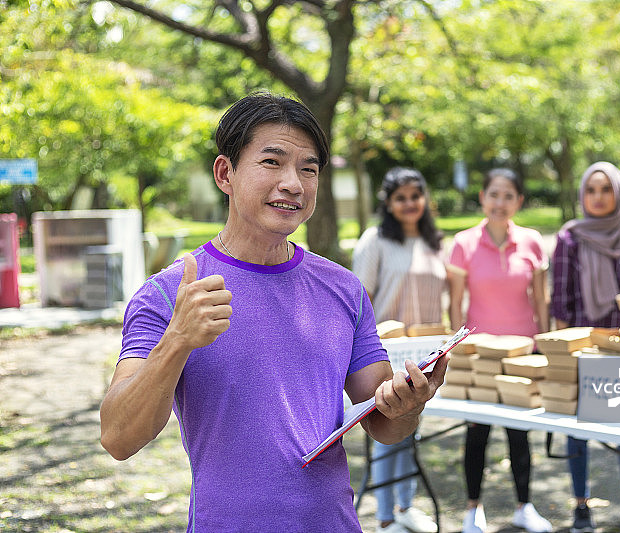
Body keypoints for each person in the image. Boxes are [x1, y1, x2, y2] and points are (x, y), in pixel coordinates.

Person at [99, 92, 449, 532]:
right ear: (225, 173)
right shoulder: (170, 294)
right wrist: (178, 339)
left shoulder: (343, 288)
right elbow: (118, 437)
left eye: (309, 169)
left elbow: (385, 425)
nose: (294, 184)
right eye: (272, 162)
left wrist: (409, 405)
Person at [448, 168, 552, 533]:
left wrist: (544, 345)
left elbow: (541, 300)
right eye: (494, 194)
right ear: (482, 196)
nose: (500, 202)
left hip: (522, 353)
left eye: (509, 196)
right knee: (477, 434)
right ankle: (472, 509)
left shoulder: (532, 241)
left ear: (519, 201)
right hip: (479, 356)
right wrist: (454, 353)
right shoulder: (463, 243)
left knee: (519, 433)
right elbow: (456, 305)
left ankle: (525, 506)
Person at [550, 162, 620, 533]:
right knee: (577, 429)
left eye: (605, 189)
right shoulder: (569, 239)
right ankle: (581, 507)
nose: (597, 197)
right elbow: (560, 302)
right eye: (591, 189)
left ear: (619, 194)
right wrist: (565, 356)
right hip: (581, 346)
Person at [351, 167, 446, 533]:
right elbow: (360, 300)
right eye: (400, 198)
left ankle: (405, 506)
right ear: (388, 203)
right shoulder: (374, 240)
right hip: (385, 353)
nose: (409, 204)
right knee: (387, 432)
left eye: (415, 196)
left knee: (411, 429)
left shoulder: (433, 240)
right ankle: (386, 517)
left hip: (425, 354)